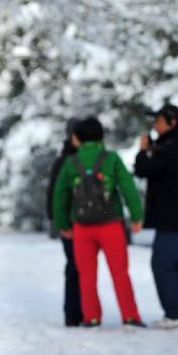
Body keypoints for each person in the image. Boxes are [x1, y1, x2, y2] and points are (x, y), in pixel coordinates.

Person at [53, 117, 144, 328]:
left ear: (78, 139)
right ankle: (130, 316)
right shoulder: (111, 158)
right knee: (120, 273)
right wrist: (137, 216)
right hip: (111, 224)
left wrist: (63, 224)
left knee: (86, 275)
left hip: (82, 227)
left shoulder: (70, 162)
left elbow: (60, 195)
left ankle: (91, 317)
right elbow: (128, 187)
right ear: (101, 136)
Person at [134, 103, 178, 329]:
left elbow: (144, 169)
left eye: (159, 121)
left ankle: (175, 312)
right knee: (177, 265)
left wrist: (143, 151)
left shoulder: (175, 147)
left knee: (162, 264)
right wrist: (154, 147)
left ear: (172, 122)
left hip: (172, 218)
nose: (155, 125)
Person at [47, 120, 82, 326]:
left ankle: (77, 312)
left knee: (77, 267)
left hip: (77, 221)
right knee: (75, 267)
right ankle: (74, 312)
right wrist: (59, 222)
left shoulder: (65, 158)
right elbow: (55, 193)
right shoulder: (66, 160)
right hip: (71, 223)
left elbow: (53, 192)